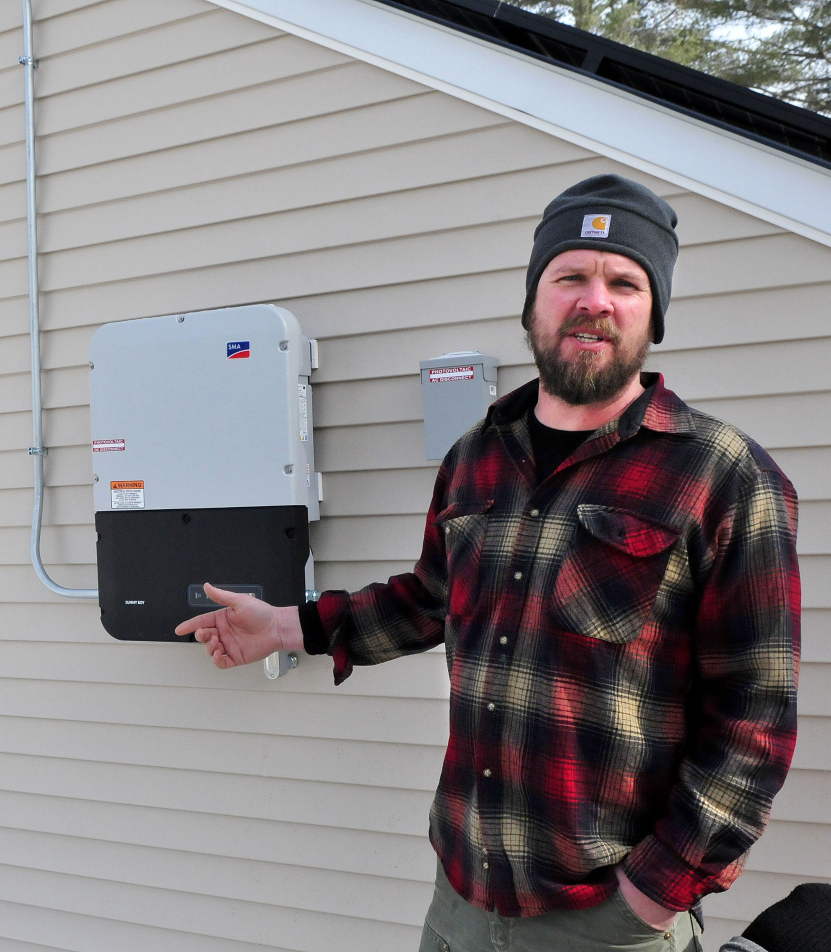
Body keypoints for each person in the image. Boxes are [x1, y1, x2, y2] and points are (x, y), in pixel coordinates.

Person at [175, 175, 801, 952]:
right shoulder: (476, 457)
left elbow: (754, 719)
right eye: (570, 276)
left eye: (624, 283)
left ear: (654, 314)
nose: (595, 300)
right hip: (460, 898)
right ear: (533, 300)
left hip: (604, 921)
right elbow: (427, 599)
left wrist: (653, 894)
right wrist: (285, 626)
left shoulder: (723, 476)